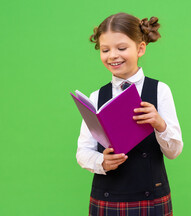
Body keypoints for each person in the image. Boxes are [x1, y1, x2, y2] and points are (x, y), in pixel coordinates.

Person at [76, 12, 183, 216]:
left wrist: (160, 124)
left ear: (140, 48)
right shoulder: (96, 96)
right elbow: (82, 152)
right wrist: (102, 162)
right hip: (107, 198)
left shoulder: (160, 90)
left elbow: (174, 152)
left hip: (151, 198)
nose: (113, 55)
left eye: (122, 48)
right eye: (105, 50)